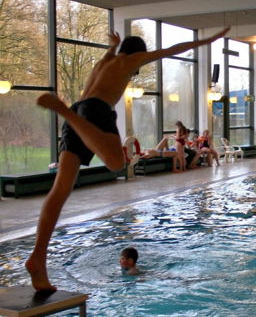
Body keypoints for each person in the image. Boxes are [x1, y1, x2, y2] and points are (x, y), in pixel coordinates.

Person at [27, 27, 230, 292]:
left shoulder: (107, 61)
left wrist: (112, 46)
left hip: (81, 107)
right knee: (116, 163)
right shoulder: (129, 59)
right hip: (94, 112)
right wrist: (207, 40)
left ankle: (37, 259)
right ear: (139, 53)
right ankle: (64, 111)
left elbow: (109, 56)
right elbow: (170, 50)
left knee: (60, 189)